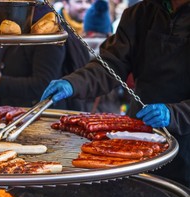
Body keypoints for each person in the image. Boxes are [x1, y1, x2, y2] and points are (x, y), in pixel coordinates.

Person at [41, 0, 190, 187]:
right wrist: (73, 83)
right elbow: (111, 65)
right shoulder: (139, 14)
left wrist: (175, 114)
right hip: (139, 132)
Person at [0, 5, 90, 107]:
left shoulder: (44, 30)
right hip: (11, 115)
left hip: (38, 119)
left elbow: (44, 84)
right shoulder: (16, 22)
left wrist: (0, 84)